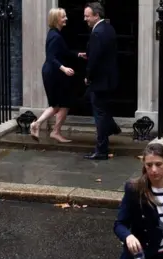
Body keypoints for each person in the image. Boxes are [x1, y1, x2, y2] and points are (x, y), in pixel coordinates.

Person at [29, 7, 82, 143]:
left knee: (63, 104)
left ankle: (55, 131)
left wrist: (78, 54)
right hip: (53, 73)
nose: (66, 19)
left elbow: (63, 52)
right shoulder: (55, 36)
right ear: (56, 19)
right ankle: (38, 125)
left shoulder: (55, 34)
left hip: (54, 73)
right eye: (63, 17)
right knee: (57, 105)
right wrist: (63, 68)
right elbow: (51, 57)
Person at [80, 2, 121, 160]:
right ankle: (112, 127)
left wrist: (88, 77)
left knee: (99, 114)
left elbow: (95, 60)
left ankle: (102, 150)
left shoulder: (97, 32)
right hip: (109, 79)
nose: (85, 19)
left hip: (100, 80)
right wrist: (89, 53)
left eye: (87, 16)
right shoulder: (108, 28)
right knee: (102, 109)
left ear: (96, 15)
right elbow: (102, 53)